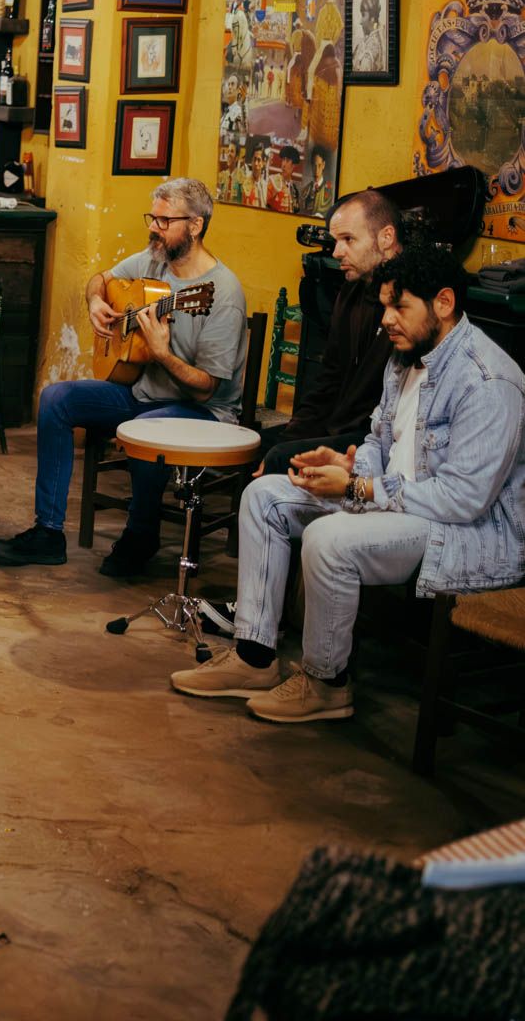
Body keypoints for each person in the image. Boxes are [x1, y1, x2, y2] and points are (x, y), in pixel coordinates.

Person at [171, 246, 525, 722]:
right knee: (264, 496)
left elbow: (463, 499)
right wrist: (347, 462)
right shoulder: (405, 358)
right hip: (397, 503)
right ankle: (253, 658)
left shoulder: (489, 381)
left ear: (443, 303)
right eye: (384, 306)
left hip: (461, 532)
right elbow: (380, 436)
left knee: (328, 537)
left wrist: (357, 489)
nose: (386, 320)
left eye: (399, 307)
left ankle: (326, 683)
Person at [0, 179, 248, 578]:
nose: (154, 228)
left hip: (204, 412)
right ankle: (48, 533)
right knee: (57, 398)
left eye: (165, 220)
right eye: (153, 218)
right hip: (143, 393)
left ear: (195, 226)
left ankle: (141, 536)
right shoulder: (152, 260)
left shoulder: (222, 293)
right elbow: (101, 278)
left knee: (145, 430)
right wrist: (95, 300)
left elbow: (208, 387)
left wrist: (161, 353)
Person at [260, 191, 405, 476]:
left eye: (348, 240)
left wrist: (290, 446)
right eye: (336, 241)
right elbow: (329, 377)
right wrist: (293, 434)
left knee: (278, 457)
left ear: (386, 238)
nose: (337, 252)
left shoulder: (410, 302)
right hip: (338, 426)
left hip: (376, 442)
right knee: (260, 445)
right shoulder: (352, 290)